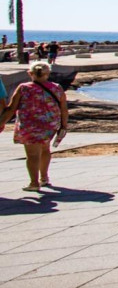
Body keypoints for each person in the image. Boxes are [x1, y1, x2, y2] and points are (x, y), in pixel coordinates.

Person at [0, 61, 69, 191]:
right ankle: (44, 178)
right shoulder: (57, 87)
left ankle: (34, 183)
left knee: (32, 155)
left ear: (30, 73)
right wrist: (64, 126)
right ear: (48, 73)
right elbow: (64, 109)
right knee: (45, 149)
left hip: (29, 126)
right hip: (49, 125)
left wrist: (1, 122)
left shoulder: (23, 88)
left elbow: (11, 109)